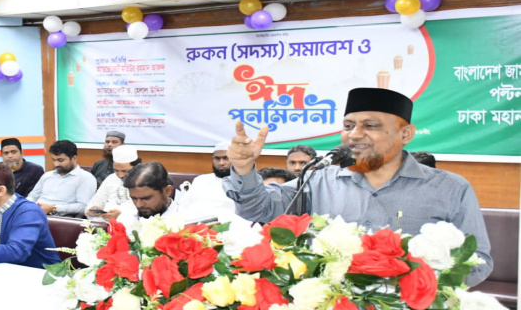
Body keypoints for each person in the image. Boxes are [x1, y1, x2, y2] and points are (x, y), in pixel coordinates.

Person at [224, 87, 492, 285]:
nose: (354, 134)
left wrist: (416, 286)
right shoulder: (319, 180)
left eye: (370, 125)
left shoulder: (450, 188)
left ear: (406, 134)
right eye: (348, 125)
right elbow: (258, 209)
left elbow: (477, 261)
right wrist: (244, 167)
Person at [27, 140, 96, 217]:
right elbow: (32, 197)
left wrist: (54, 208)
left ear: (74, 158)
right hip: (35, 213)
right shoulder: (47, 176)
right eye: (53, 160)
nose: (56, 164)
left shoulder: (85, 178)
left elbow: (83, 207)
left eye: (60, 160)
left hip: (60, 218)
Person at [178, 141, 236, 220]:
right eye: (217, 158)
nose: (221, 163)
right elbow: (183, 206)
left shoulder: (244, 183)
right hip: (197, 223)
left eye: (226, 158)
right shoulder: (200, 180)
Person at [85, 145, 141, 221]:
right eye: (116, 170)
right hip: (105, 224)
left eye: (125, 171)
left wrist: (121, 216)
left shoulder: (145, 181)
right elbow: (93, 205)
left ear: (137, 167)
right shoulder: (111, 178)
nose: (120, 175)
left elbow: (146, 213)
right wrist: (94, 210)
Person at [120, 161, 178, 227]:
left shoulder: (184, 223)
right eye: (134, 198)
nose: (139, 205)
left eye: (146, 198)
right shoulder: (125, 218)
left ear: (167, 191)